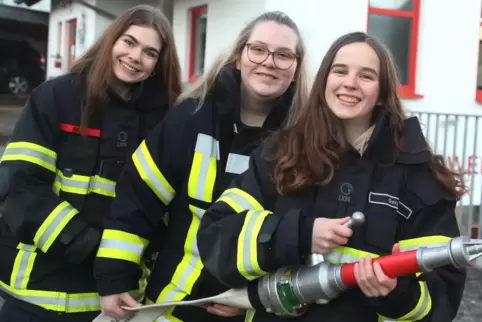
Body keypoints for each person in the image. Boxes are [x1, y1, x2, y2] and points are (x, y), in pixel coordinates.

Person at [197, 31, 468, 322]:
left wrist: (396, 294)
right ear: (324, 80)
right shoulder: (280, 155)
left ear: (382, 94)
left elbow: (440, 303)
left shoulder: (418, 179)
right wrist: (300, 235)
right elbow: (216, 239)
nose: (349, 82)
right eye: (340, 71)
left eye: (366, 76)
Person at [93, 10, 309, 322]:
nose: (269, 61)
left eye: (284, 55)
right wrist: (114, 278)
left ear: (296, 68)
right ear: (238, 57)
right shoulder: (191, 119)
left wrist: (256, 295)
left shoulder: (303, 143)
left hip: (249, 311)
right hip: (170, 305)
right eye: (258, 49)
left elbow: (299, 237)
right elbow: (137, 198)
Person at [0, 5, 182, 322]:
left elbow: (162, 210)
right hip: (34, 294)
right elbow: (20, 187)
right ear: (111, 41)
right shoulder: (56, 97)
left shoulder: (164, 123)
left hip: (108, 304)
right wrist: (92, 248)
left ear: (157, 66)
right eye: (129, 42)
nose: (136, 56)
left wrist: (119, 266)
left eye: (150, 52)